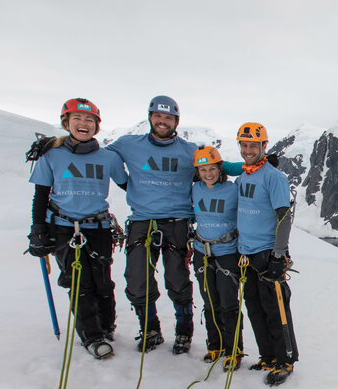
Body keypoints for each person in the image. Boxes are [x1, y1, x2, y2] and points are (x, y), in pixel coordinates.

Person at [27, 98, 127, 359]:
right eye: (78, 119)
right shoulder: (51, 154)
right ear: (66, 123)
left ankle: (106, 326)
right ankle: (92, 335)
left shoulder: (109, 157)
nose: (84, 124)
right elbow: (41, 194)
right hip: (63, 227)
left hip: (99, 226)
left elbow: (129, 185)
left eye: (89, 120)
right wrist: (38, 229)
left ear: (97, 125)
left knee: (103, 281)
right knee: (78, 282)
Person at [107, 96, 199, 354]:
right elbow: (102, 156)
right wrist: (125, 182)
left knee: (178, 280)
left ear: (176, 121)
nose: (162, 121)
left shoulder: (189, 150)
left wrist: (252, 165)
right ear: (150, 117)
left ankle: (184, 332)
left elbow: (215, 166)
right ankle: (150, 329)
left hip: (177, 222)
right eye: (158, 116)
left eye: (168, 118)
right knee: (137, 280)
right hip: (142, 221)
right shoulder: (128, 144)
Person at [234, 122, 299, 386]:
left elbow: (283, 217)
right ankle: (268, 356)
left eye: (254, 145)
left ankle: (286, 360)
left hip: (266, 253)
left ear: (264, 146)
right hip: (246, 254)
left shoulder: (274, 177)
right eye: (244, 145)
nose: (248, 150)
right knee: (255, 308)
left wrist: (278, 254)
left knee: (276, 309)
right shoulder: (243, 175)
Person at [191, 146, 244, 371]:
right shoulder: (195, 189)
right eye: (203, 169)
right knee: (209, 301)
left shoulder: (233, 189)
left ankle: (234, 350)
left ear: (220, 168)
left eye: (212, 168)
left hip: (227, 252)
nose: (208, 174)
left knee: (228, 303)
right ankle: (216, 345)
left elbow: (251, 168)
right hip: (202, 251)